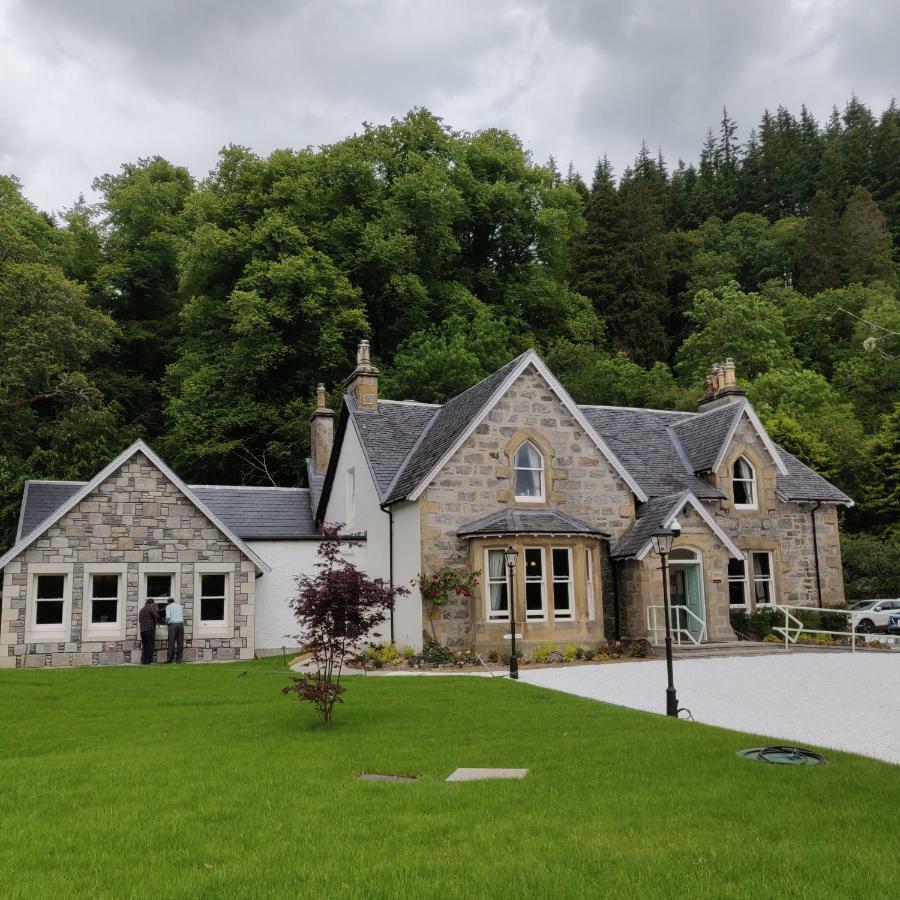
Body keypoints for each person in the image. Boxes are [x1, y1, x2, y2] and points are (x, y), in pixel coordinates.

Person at [138, 598, 159, 664]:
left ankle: (143, 659)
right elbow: (157, 616)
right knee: (150, 644)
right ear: (152, 603)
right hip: (150, 629)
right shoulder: (150, 607)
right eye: (153, 604)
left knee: (145, 645)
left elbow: (139, 620)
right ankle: (148, 659)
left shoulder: (141, 610)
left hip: (142, 630)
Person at [165, 596, 185, 663]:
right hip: (181, 625)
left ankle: (169, 659)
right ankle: (179, 659)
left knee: (171, 642)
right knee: (180, 642)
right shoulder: (179, 606)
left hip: (173, 625)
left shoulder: (168, 606)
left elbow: (168, 617)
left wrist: (166, 622)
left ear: (168, 602)